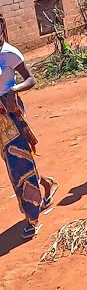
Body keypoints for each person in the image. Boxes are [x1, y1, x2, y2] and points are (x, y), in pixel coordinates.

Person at [0, 31, 57, 238]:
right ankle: (45, 183)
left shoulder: (9, 53)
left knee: (19, 165)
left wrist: (14, 90)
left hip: (12, 113)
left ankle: (32, 218)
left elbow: (30, 79)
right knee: (14, 163)